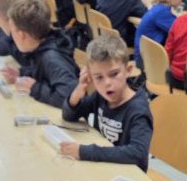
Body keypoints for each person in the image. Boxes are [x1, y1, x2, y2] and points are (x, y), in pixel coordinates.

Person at [59, 35, 152, 172]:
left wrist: (84, 152)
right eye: (99, 77)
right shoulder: (101, 96)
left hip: (128, 174)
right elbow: (69, 115)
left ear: (128, 70)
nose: (107, 83)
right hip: (104, 167)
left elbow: (138, 153)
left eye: (114, 74)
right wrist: (80, 89)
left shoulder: (138, 109)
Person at [2, 0, 79, 108]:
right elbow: (44, 75)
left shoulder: (51, 58)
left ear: (21, 35)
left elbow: (68, 96)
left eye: (12, 31)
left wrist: (34, 88)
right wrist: (21, 73)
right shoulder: (40, 48)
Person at [134, 0, 182, 70]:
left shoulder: (158, 9)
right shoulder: (162, 12)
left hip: (143, 56)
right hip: (148, 60)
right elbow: (181, 31)